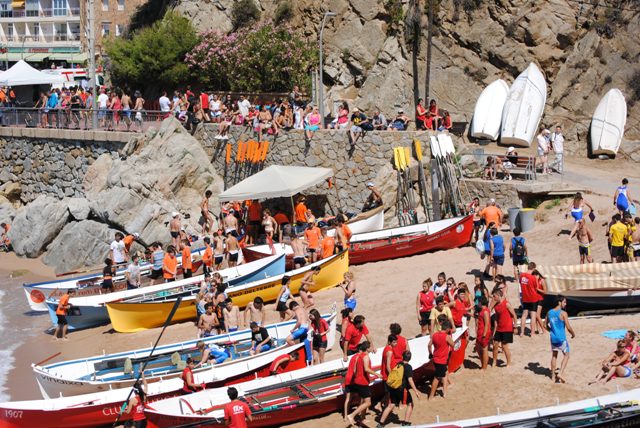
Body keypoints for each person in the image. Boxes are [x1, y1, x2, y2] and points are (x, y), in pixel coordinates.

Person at [378, 350, 421, 427]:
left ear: (402, 357)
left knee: (391, 405)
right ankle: (406, 423)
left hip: (393, 387)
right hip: (402, 389)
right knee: (410, 404)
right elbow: (410, 380)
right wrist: (416, 391)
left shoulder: (398, 364)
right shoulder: (408, 367)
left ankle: (380, 424)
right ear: (410, 358)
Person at [344, 341, 380, 426]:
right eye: (370, 347)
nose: (372, 348)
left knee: (364, 401)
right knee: (368, 402)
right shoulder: (365, 356)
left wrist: (358, 377)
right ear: (367, 348)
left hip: (358, 381)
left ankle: (362, 419)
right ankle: (351, 415)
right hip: (362, 382)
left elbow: (355, 370)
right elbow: (366, 369)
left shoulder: (359, 356)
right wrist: (377, 374)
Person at [546, 295, 575, 383]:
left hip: (553, 338)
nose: (565, 304)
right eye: (564, 302)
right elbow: (568, 327)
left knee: (554, 356)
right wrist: (573, 334)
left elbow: (544, 325)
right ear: (559, 302)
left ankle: (552, 376)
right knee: (566, 355)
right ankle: (560, 373)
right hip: (561, 338)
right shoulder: (563, 313)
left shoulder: (549, 312)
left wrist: (551, 331)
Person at [428, 318, 455, 399]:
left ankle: (445, 392)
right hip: (441, 360)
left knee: (445, 373)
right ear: (447, 329)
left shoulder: (435, 335)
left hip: (436, 358)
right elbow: (453, 345)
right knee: (437, 378)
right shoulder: (447, 337)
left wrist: (430, 353)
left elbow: (429, 345)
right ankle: (431, 396)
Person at [491, 289, 517, 367]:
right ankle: (494, 361)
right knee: (495, 344)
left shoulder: (506, 304)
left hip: (507, 328)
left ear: (499, 296)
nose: (493, 298)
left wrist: (515, 326)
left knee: (504, 346)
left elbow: (514, 315)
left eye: (494, 296)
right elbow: (496, 319)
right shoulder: (496, 306)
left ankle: (508, 363)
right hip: (499, 328)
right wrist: (494, 331)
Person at [519, 263, 540, 337]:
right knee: (533, 316)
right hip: (533, 298)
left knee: (524, 315)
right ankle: (532, 333)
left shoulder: (522, 275)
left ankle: (522, 332)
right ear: (533, 268)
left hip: (525, 297)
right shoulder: (533, 277)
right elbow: (536, 287)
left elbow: (521, 283)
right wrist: (536, 279)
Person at [476, 296, 492, 370]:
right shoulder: (483, 310)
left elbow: (487, 324)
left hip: (483, 332)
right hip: (480, 332)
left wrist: (484, 334)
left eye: (478, 302)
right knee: (478, 348)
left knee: (484, 349)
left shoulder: (485, 311)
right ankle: (483, 365)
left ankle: (484, 367)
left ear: (480, 303)